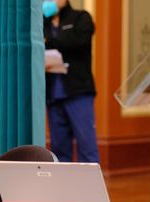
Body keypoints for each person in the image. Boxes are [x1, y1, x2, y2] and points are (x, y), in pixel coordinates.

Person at [43, 0, 100, 163]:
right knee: (59, 150)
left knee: (87, 146)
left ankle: (90, 188)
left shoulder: (80, 18)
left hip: (78, 93)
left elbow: (77, 41)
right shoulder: (41, 24)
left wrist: (49, 41)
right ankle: (63, 188)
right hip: (53, 96)